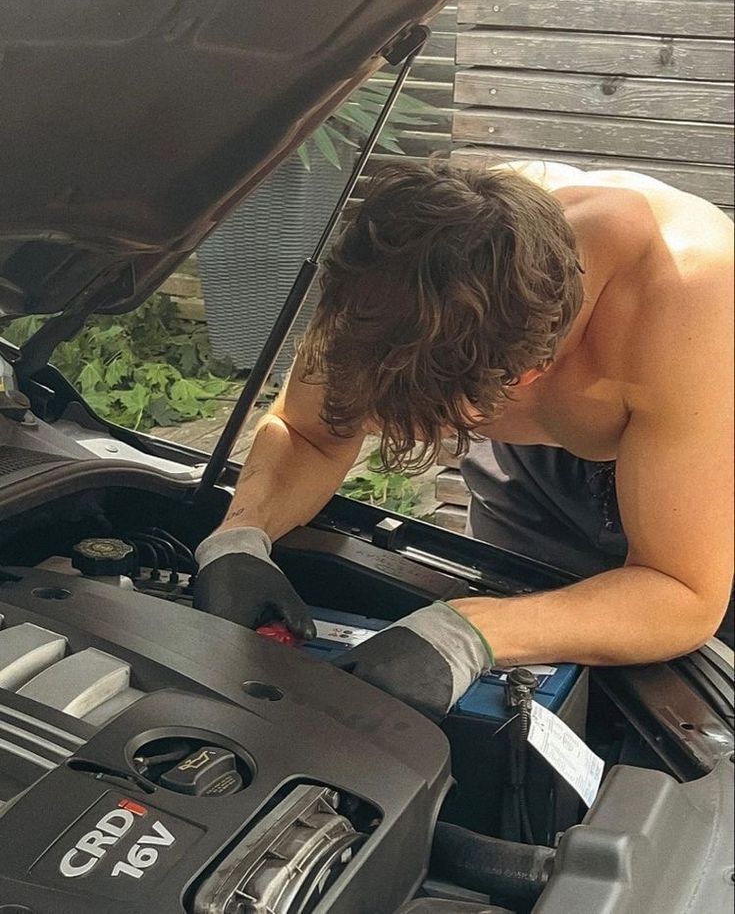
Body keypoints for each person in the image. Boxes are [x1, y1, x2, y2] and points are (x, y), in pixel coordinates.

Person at [193, 159, 734, 721]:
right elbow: (310, 434)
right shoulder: (396, 275)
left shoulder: (687, 303)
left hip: (704, 446)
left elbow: (682, 593)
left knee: (693, 700)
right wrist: (241, 535)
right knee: (534, 665)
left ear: (527, 378)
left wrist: (467, 631)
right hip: (539, 468)